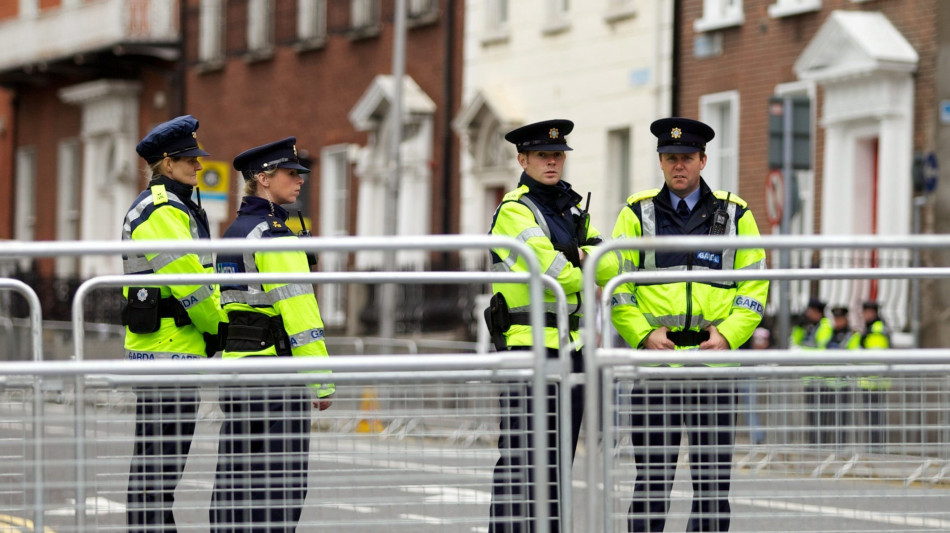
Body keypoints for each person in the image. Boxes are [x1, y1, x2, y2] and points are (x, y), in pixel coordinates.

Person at [599, 117, 768, 532]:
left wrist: (729, 335)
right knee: (652, 487)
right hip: (657, 367)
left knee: (713, 491)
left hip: (714, 368)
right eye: (671, 157)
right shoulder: (636, 212)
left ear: (703, 160)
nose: (679, 165)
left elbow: (756, 282)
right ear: (660, 161)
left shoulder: (734, 212)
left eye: (687, 158)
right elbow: (618, 285)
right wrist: (642, 334)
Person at [210, 137, 334, 531]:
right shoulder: (274, 235)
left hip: (237, 373)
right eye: (290, 173)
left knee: (235, 486)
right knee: (280, 492)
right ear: (263, 178)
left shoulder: (235, 233)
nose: (300, 180)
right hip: (277, 379)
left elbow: (224, 306)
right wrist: (321, 381)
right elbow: (300, 312)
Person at [484, 119, 602, 532]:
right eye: (542, 155)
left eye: (557, 155)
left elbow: (607, 261)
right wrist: (581, 258)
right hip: (527, 348)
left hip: (571, 350)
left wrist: (582, 258)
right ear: (523, 160)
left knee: (557, 464)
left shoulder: (572, 208)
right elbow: (553, 272)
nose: (552, 162)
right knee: (520, 461)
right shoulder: (515, 210)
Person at [122, 115, 227, 531]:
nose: (199, 166)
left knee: (159, 466)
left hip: (169, 348)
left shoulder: (175, 206)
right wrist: (217, 326)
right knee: (159, 468)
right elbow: (191, 282)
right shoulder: (162, 209)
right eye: (190, 160)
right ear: (168, 164)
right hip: (168, 350)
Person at [857, 300, 891, 449]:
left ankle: (876, 447)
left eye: (866, 312)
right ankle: (874, 445)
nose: (864, 315)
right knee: (873, 416)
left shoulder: (876, 328)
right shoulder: (871, 327)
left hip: (874, 380)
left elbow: (875, 353)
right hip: (871, 380)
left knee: (875, 416)